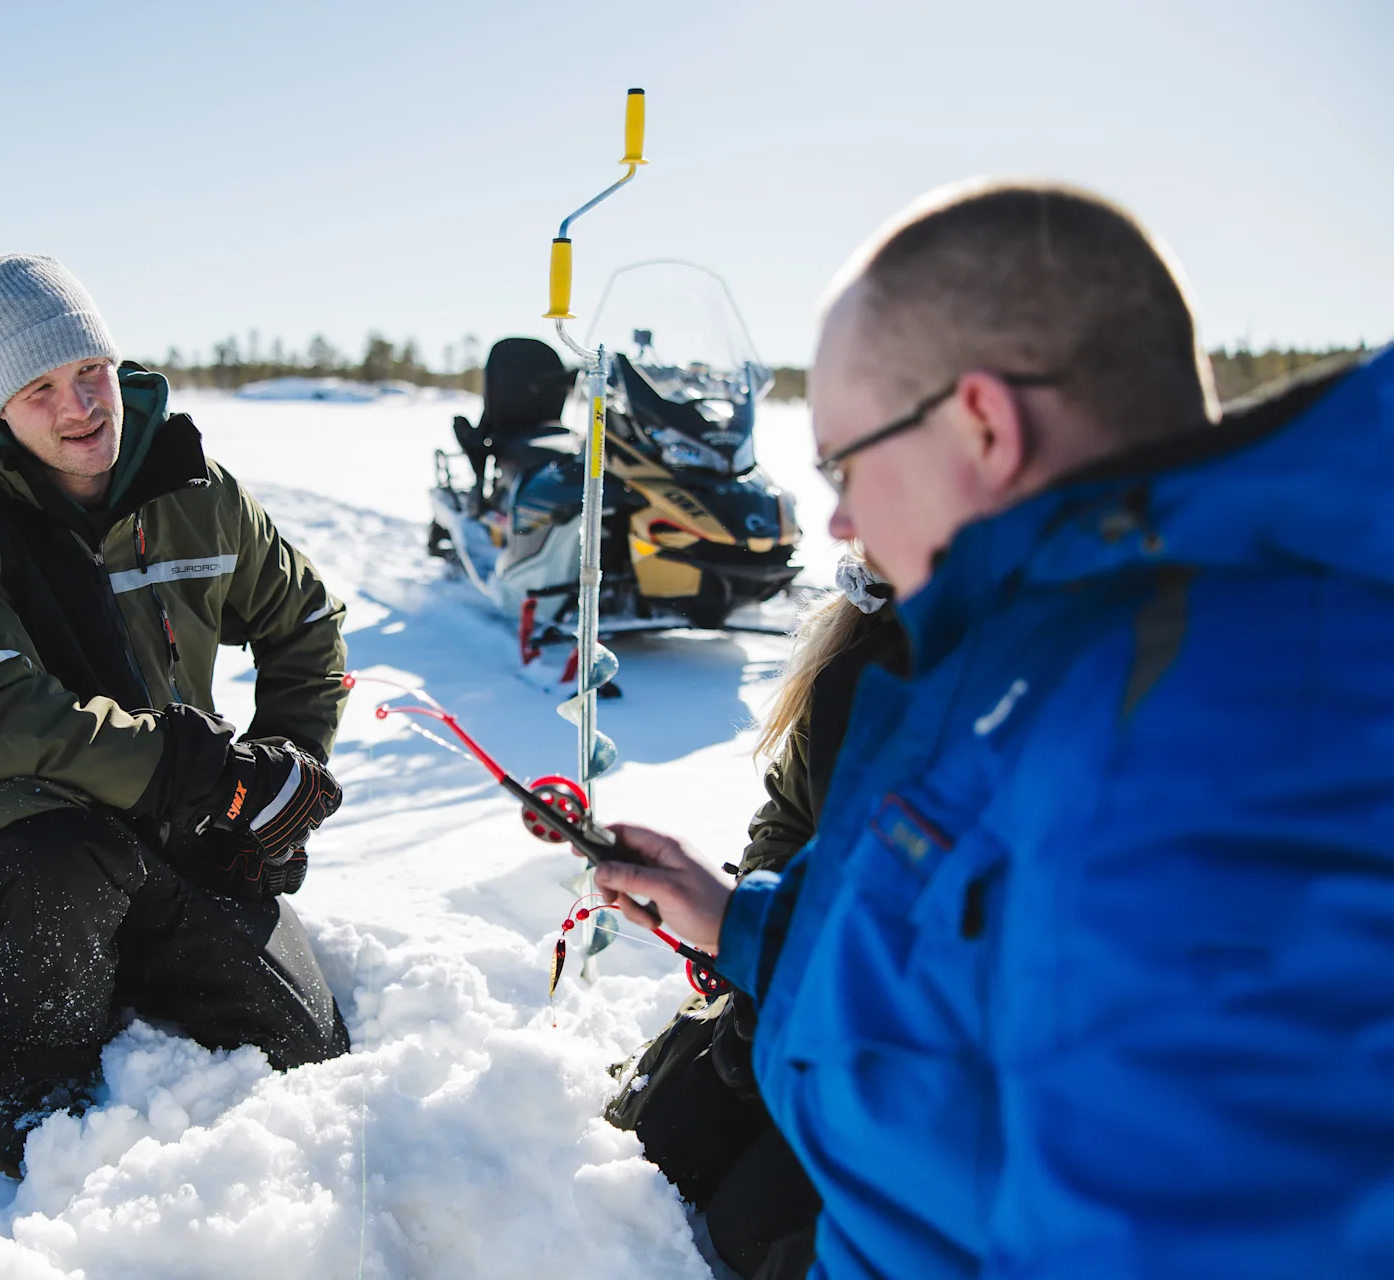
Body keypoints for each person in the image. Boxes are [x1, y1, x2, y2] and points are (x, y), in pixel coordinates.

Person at [596, 181, 1394, 1277]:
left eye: (846, 462)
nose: (837, 518)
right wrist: (743, 920)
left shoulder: (1220, 765)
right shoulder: (1056, 653)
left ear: (983, 422)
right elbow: (957, 936)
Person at [0, 254, 352, 1178]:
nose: (80, 406)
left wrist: (284, 767)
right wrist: (186, 769)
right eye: (39, 388)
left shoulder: (195, 491)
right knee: (69, 864)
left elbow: (307, 625)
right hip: (16, 825)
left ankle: (133, 954)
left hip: (180, 823)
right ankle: (37, 1086)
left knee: (305, 1049)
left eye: (89, 372)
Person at [608, 559, 903, 1280]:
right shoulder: (864, 645)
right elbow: (791, 815)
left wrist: (769, 946)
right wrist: (748, 940)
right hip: (810, 981)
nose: (838, 527)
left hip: (922, 1058)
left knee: (762, 1240)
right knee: (652, 1140)